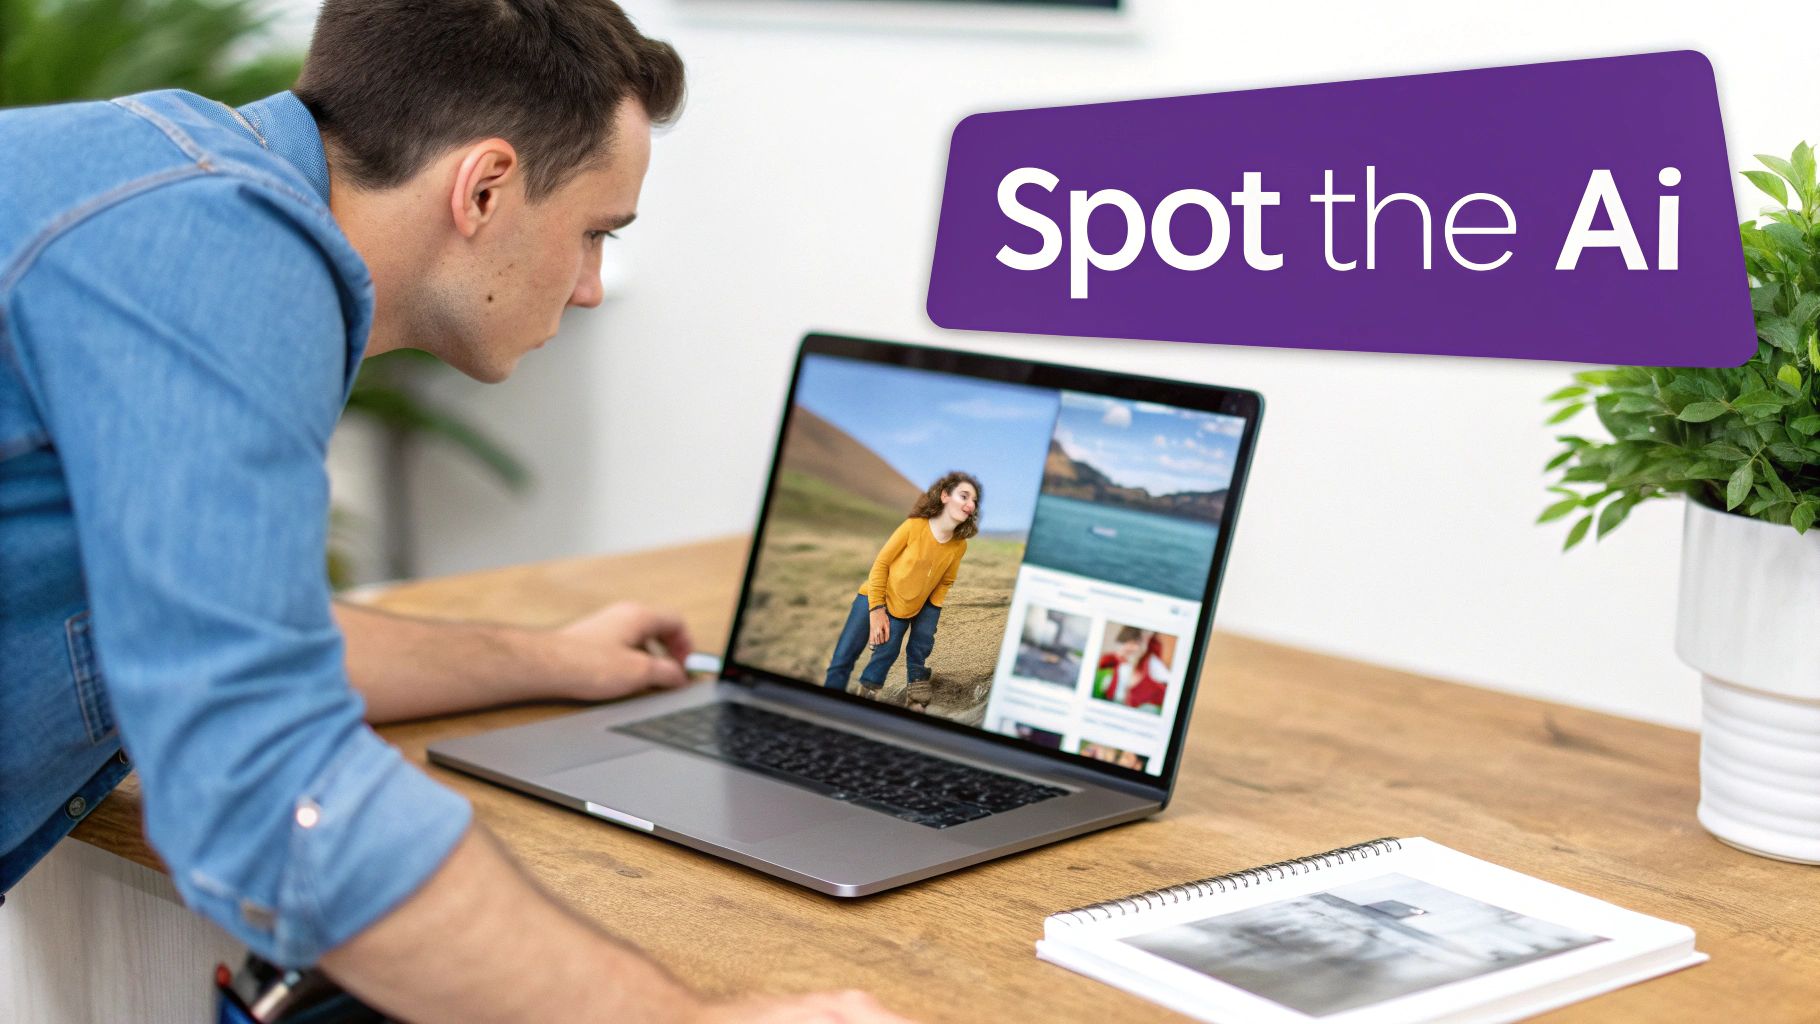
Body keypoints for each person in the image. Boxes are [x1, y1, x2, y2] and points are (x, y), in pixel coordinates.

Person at [0, 2, 911, 1021]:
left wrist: (550, 660)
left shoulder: (175, 192)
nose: (590, 287)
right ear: (483, 187)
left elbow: (234, 636)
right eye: (594, 233)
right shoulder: (219, 259)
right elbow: (259, 781)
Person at [824, 472, 981, 712]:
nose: (970, 504)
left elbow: (945, 582)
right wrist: (876, 610)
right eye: (964, 496)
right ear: (945, 496)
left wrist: (930, 612)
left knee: (886, 654)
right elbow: (881, 565)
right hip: (872, 597)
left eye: (974, 501)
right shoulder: (913, 527)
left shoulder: (959, 545)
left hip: (903, 609)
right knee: (842, 660)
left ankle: (858, 707)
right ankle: (825, 710)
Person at [1093, 627, 1172, 713]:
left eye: (1137, 643)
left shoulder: (1151, 662)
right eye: (1129, 643)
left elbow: (1168, 683)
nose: (1132, 647)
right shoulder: (1112, 663)